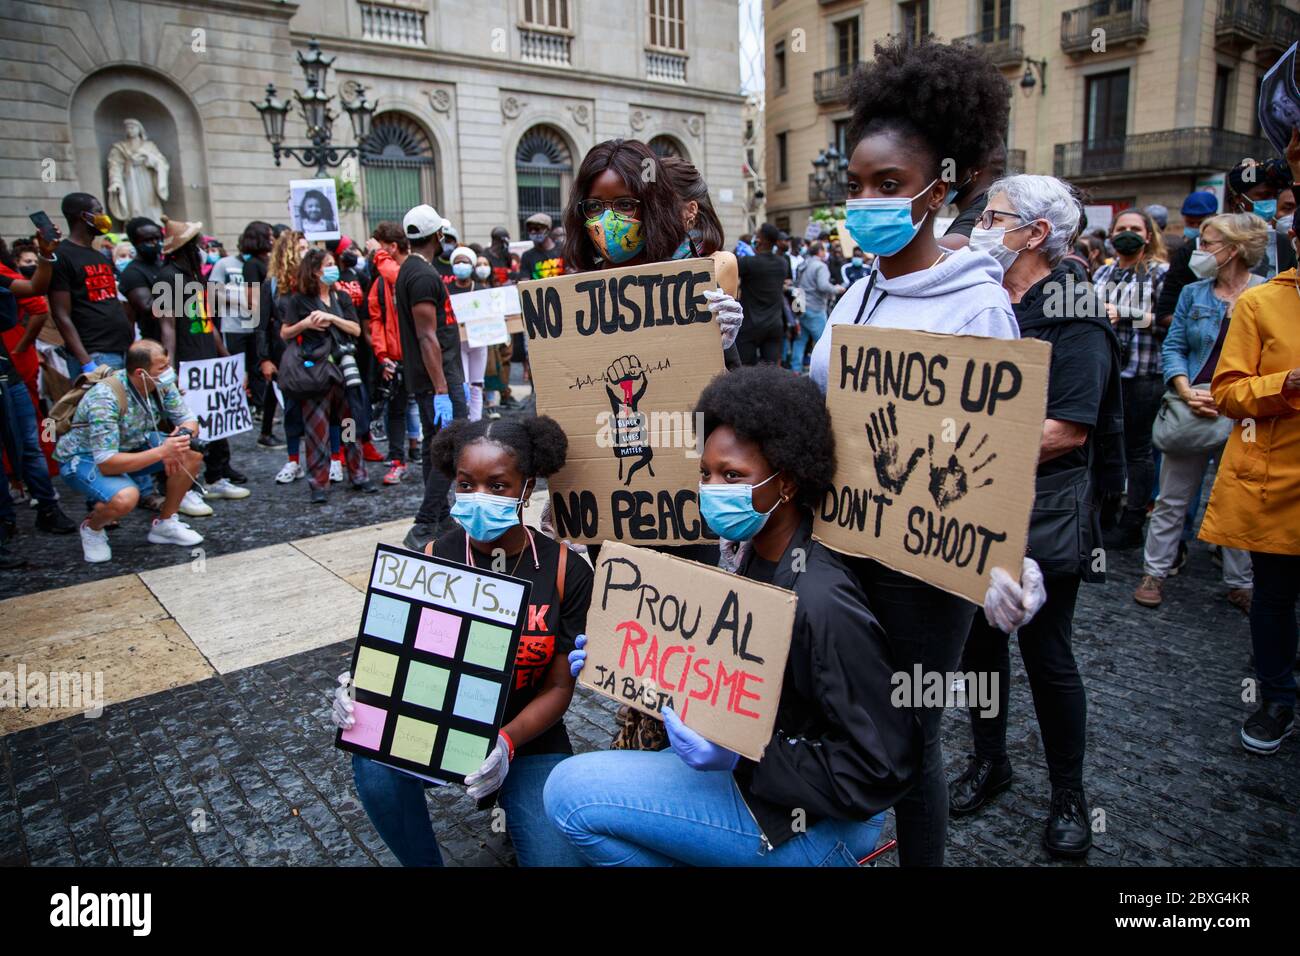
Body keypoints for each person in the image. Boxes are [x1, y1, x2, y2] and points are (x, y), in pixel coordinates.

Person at [805, 36, 1036, 868]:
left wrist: (1006, 554)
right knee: (844, 714)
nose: (866, 201)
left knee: (912, 735)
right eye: (857, 186)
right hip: (840, 542)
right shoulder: (857, 288)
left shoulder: (979, 309)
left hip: (922, 570)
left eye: (889, 186)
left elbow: (993, 450)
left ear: (942, 184)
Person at [545, 365, 918, 865]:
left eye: (733, 476)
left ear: (786, 482)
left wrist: (747, 754)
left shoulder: (822, 599)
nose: (712, 488)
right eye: (705, 473)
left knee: (570, 793)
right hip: (766, 788)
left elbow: (881, 768)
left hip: (812, 819)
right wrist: (625, 659)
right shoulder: (750, 552)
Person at [949, 174, 1124, 860]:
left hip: (1044, 504)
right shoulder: (985, 297)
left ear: (1036, 232)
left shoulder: (1074, 308)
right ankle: (990, 762)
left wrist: (966, 442)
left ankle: (1069, 797)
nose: (981, 225)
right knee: (978, 645)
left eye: (994, 217)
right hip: (974, 501)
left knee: (1047, 654)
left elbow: (1070, 426)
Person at [331, 415, 589, 867]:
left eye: (498, 486)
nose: (478, 498)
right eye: (466, 485)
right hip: (437, 729)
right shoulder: (432, 559)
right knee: (372, 762)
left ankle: (514, 797)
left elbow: (557, 688)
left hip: (527, 740)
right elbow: (400, 655)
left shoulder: (566, 570)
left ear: (527, 489)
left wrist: (507, 744)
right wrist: (362, 693)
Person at [1198, 218, 1300, 755]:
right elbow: (1229, 393)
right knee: (1275, 597)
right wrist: (1286, 384)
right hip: (1277, 481)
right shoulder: (1261, 305)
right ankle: (1277, 696)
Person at [1134, 213, 1267, 613]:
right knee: (1173, 498)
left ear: (1235, 248)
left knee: (1239, 497)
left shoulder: (1267, 295)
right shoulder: (1193, 293)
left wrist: (1235, 397)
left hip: (1245, 409)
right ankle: (1154, 572)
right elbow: (1173, 346)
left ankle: (1240, 581)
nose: (1199, 251)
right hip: (1192, 403)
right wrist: (1185, 388)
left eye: (1208, 244)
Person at [53, 339, 206, 563]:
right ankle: (93, 528)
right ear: (140, 372)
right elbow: (106, 462)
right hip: (84, 458)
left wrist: (182, 437)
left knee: (190, 453)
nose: (169, 371)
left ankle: (165, 524)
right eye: (162, 367)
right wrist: (164, 451)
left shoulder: (159, 383)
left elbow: (188, 420)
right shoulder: (105, 398)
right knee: (126, 497)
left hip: (132, 444)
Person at [155, 217, 250, 508]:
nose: (202, 249)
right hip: (188, 363)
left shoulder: (198, 278)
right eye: (197, 244)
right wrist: (168, 367)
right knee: (188, 426)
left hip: (209, 361)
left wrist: (227, 360)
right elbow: (167, 325)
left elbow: (209, 323)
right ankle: (186, 487)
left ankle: (216, 476)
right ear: (185, 247)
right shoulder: (168, 277)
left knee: (216, 421)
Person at [1092, 208, 1168, 549]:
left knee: (1137, 451)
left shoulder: (1159, 273)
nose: (1128, 233)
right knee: (1107, 445)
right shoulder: (1102, 276)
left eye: (1135, 228)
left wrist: (1125, 314)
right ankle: (1105, 512)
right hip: (1108, 373)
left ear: (1148, 235)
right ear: (1111, 235)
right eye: (1121, 228)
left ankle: (1133, 521)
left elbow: (1168, 320)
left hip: (1143, 373)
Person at [395, 204, 467, 550]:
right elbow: (427, 336)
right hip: (437, 380)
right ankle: (424, 524)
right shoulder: (422, 276)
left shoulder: (413, 269)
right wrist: (442, 389)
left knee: (433, 448)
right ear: (438, 235)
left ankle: (440, 516)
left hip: (435, 378)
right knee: (449, 448)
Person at [281, 248, 375, 502]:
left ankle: (358, 474)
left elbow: (355, 329)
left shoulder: (341, 297)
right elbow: (285, 332)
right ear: (315, 270)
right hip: (315, 371)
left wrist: (332, 318)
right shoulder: (299, 300)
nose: (334, 268)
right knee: (317, 429)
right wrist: (306, 324)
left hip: (344, 369)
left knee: (349, 424)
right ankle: (319, 484)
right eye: (329, 264)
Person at [49, 193, 133, 373]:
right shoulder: (62, 256)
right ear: (83, 216)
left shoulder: (98, 256)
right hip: (95, 353)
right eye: (99, 211)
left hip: (120, 349)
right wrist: (85, 361)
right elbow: (60, 313)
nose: (104, 216)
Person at [365, 223, 415, 485]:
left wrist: (378, 254)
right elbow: (376, 320)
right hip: (395, 358)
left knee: (430, 410)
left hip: (419, 356)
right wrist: (383, 355)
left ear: (391, 247)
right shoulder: (378, 283)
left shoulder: (405, 270)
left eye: (380, 246)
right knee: (396, 411)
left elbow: (398, 275)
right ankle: (398, 459)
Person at [734, 224, 789, 364]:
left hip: (750, 326)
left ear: (760, 240)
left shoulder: (748, 263)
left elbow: (731, 270)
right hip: (774, 325)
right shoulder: (782, 263)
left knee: (746, 372)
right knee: (770, 371)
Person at [446, 245, 490, 422]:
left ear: (471, 265)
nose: (461, 265)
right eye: (457, 262)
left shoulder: (480, 289)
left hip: (479, 342)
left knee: (477, 384)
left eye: (465, 261)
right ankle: (463, 420)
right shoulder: (447, 290)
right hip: (458, 344)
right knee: (462, 385)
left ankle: (476, 421)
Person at [939, 140, 1008, 250]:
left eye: (948, 167)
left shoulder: (983, 218)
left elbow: (946, 250)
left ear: (975, 170)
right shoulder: (996, 208)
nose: (941, 174)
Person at [791, 240, 842, 373]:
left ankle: (795, 369)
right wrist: (837, 289)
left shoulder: (803, 264)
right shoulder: (820, 266)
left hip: (801, 307)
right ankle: (825, 372)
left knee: (800, 340)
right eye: (824, 250)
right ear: (820, 252)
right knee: (823, 342)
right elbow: (823, 285)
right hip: (816, 307)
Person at [118, 217, 165, 344]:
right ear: (135, 242)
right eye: (148, 240)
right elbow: (148, 306)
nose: (155, 243)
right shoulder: (132, 272)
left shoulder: (166, 264)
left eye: (157, 238)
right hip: (155, 340)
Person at [518, 213, 564, 280]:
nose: (533, 232)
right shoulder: (527, 256)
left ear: (548, 230)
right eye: (530, 229)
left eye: (537, 229)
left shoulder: (563, 250)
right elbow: (525, 282)